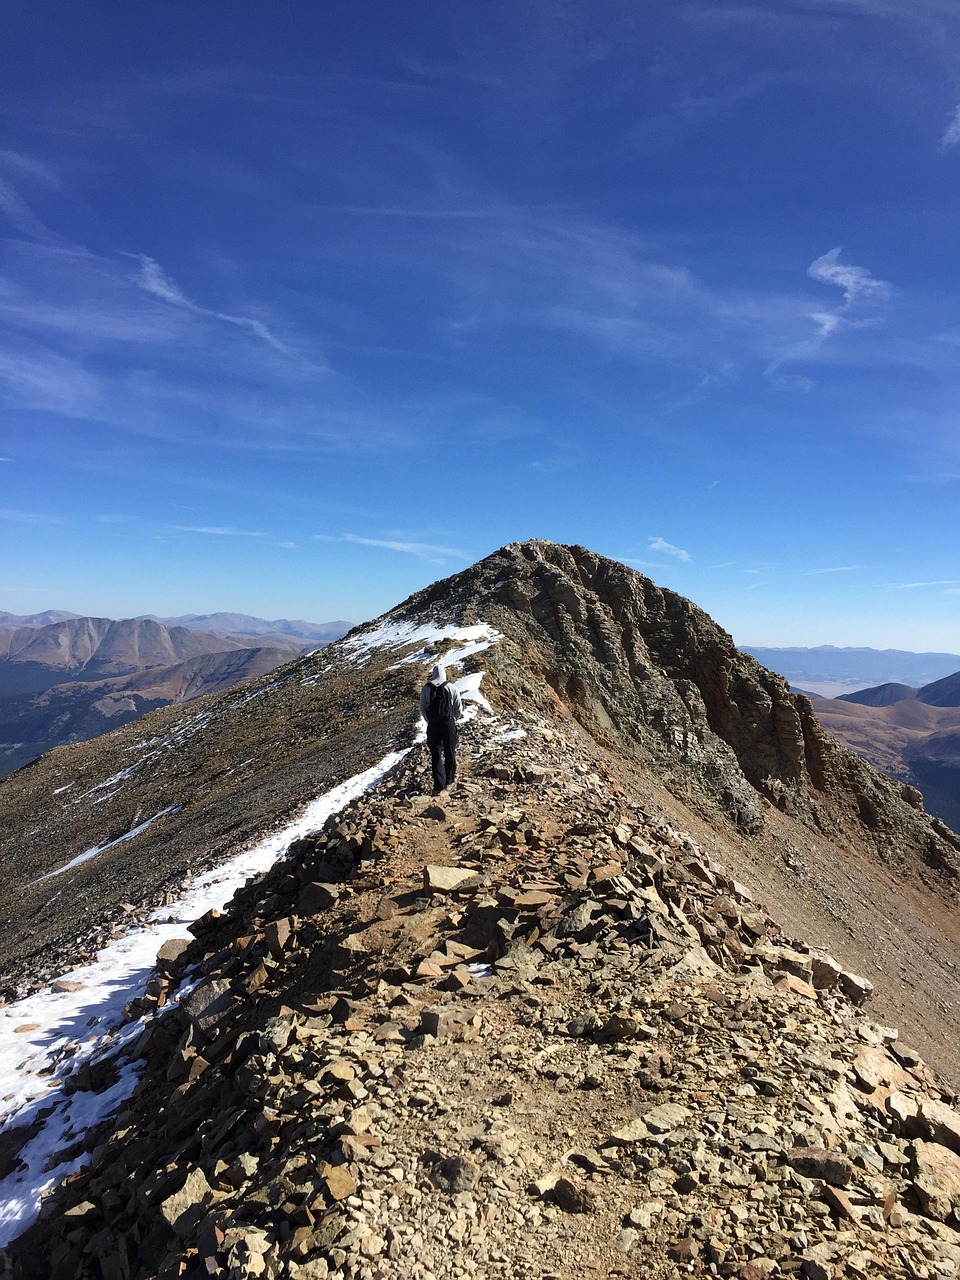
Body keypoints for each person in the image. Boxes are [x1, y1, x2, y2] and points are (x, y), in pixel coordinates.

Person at [420, 664, 463, 795]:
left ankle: (438, 785)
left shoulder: (426, 688)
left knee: (436, 754)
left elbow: (423, 708)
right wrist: (453, 719)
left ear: (433, 674)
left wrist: (430, 720)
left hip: (433, 725)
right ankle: (449, 781)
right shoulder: (452, 687)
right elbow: (458, 708)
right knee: (450, 752)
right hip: (448, 724)